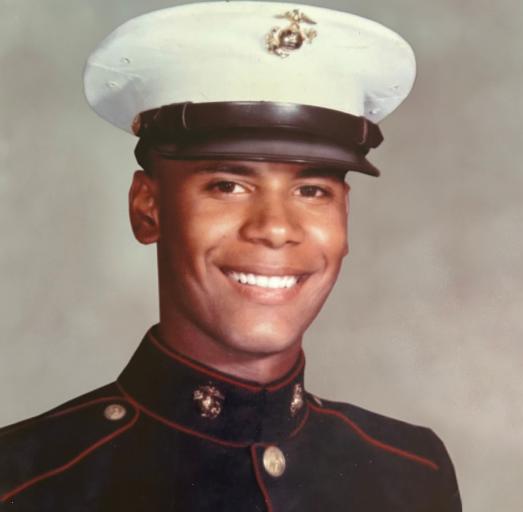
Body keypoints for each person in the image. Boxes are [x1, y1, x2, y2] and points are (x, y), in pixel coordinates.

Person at [0, 3, 460, 510]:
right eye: (229, 184)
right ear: (147, 208)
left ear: (344, 216)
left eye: (311, 190)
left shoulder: (413, 473)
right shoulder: (26, 481)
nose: (275, 228)